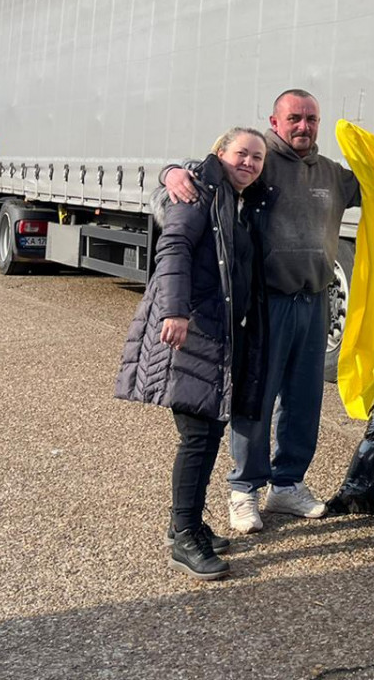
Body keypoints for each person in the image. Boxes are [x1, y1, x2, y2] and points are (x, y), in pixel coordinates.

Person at [163, 89, 361, 533]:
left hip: (314, 302)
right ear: (275, 121)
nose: (303, 126)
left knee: (304, 399)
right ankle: (244, 490)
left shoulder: (332, 175)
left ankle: (288, 485)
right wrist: (170, 171)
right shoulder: (260, 160)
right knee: (257, 396)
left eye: (311, 118)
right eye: (294, 118)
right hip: (265, 303)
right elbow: (206, 173)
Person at [115, 127, 271, 581]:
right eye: (242, 153)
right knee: (198, 435)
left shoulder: (239, 199)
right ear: (219, 152)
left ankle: (186, 523)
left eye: (258, 158)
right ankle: (183, 535)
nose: (249, 163)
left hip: (220, 334)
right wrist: (175, 311)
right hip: (193, 329)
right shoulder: (198, 191)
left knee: (209, 430)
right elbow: (175, 246)